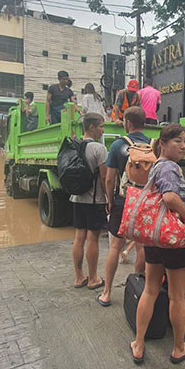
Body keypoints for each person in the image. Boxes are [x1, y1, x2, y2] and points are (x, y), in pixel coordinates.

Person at [130, 124, 185, 365]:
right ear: (163, 144)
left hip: (156, 235)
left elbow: (171, 195)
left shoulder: (158, 167)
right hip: (174, 238)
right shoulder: (170, 167)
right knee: (176, 296)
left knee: (150, 290)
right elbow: (169, 197)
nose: (183, 146)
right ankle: (179, 348)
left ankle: (139, 344)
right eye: (177, 142)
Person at [97, 107, 149, 307]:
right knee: (142, 246)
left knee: (115, 247)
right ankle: (137, 287)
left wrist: (110, 201)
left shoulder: (118, 145)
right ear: (144, 122)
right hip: (144, 201)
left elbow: (110, 178)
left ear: (127, 122)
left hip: (123, 201)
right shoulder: (152, 145)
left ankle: (107, 292)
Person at [70, 112, 108, 290]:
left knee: (79, 237)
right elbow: (104, 178)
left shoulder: (74, 146)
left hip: (76, 198)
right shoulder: (99, 149)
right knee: (93, 238)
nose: (103, 130)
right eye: (101, 126)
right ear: (91, 127)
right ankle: (93, 278)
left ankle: (79, 277)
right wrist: (108, 198)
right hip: (94, 200)